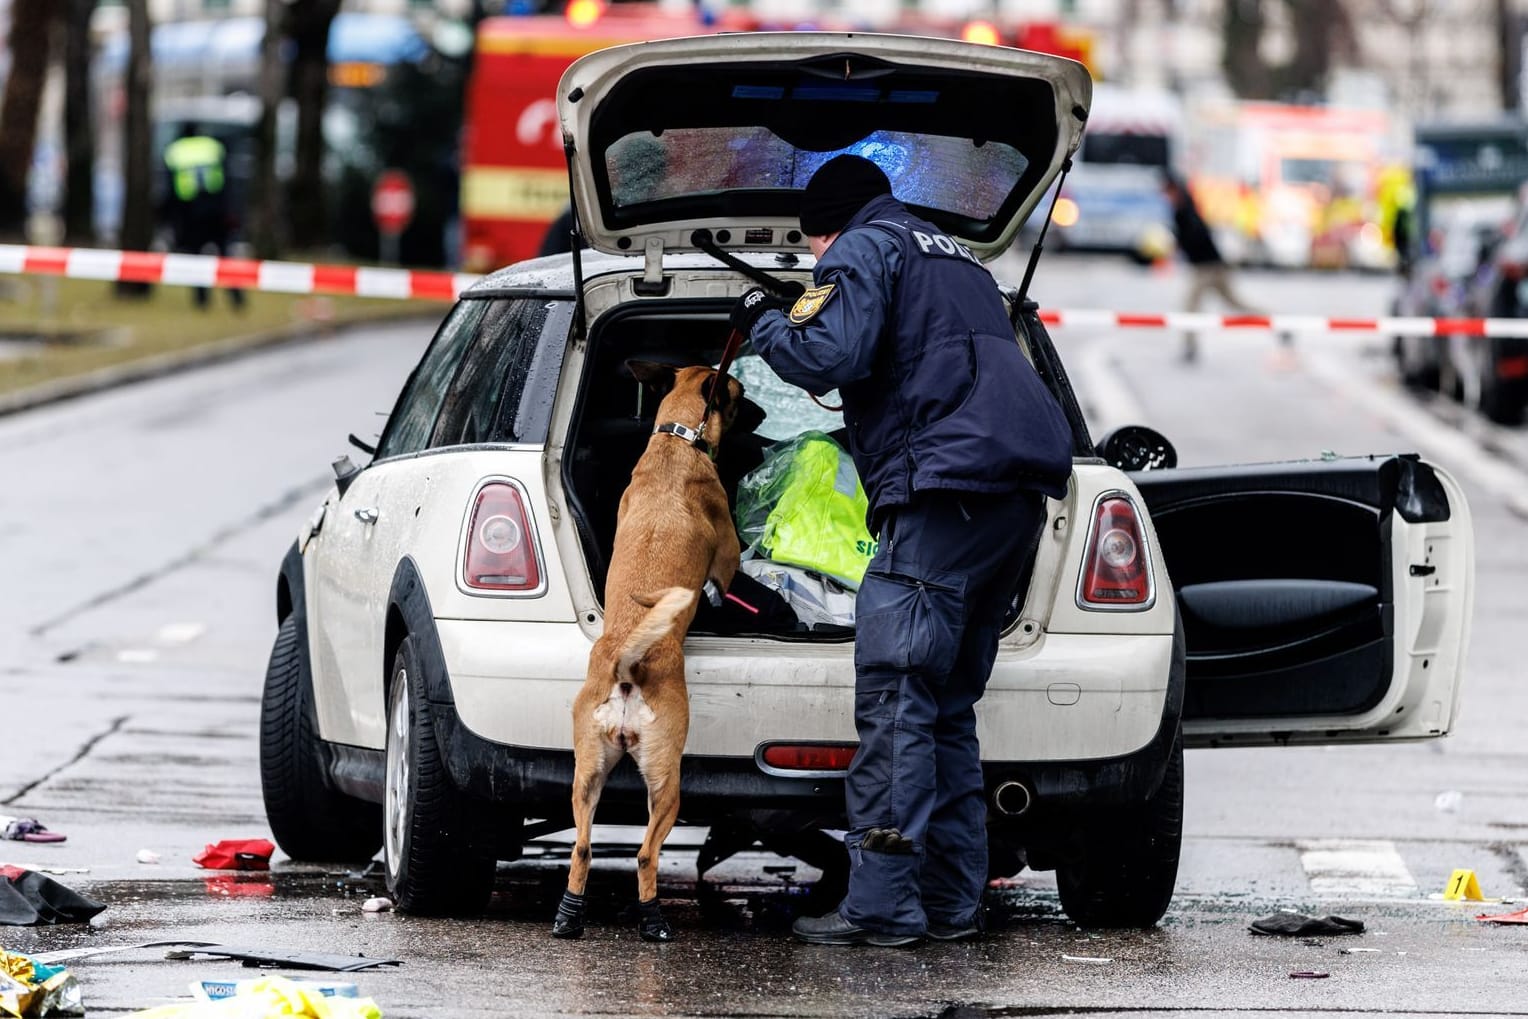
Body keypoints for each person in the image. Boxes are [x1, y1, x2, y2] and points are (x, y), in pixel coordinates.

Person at [730, 154, 1073, 946]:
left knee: (894, 698)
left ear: (826, 228)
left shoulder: (857, 248)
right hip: (1011, 503)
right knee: (946, 707)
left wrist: (765, 317)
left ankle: (882, 906)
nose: (819, 261)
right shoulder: (957, 257)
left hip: (941, 497)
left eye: (814, 249)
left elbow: (828, 356)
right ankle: (952, 903)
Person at [1161, 173, 1257, 362]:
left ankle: (1190, 347)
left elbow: (1194, 236)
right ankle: (1274, 321)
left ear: (1173, 191)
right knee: (1234, 302)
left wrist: (1178, 243)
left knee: (1191, 307)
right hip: (1211, 264)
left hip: (1206, 267)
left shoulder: (1184, 209)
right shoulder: (1185, 206)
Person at [162, 123, 244, 310]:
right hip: (217, 210)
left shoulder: (175, 151)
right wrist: (232, 211)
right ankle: (236, 297)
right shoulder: (213, 147)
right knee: (225, 256)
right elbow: (228, 181)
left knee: (196, 258)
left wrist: (169, 219)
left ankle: (201, 301)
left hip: (190, 213)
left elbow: (169, 189)